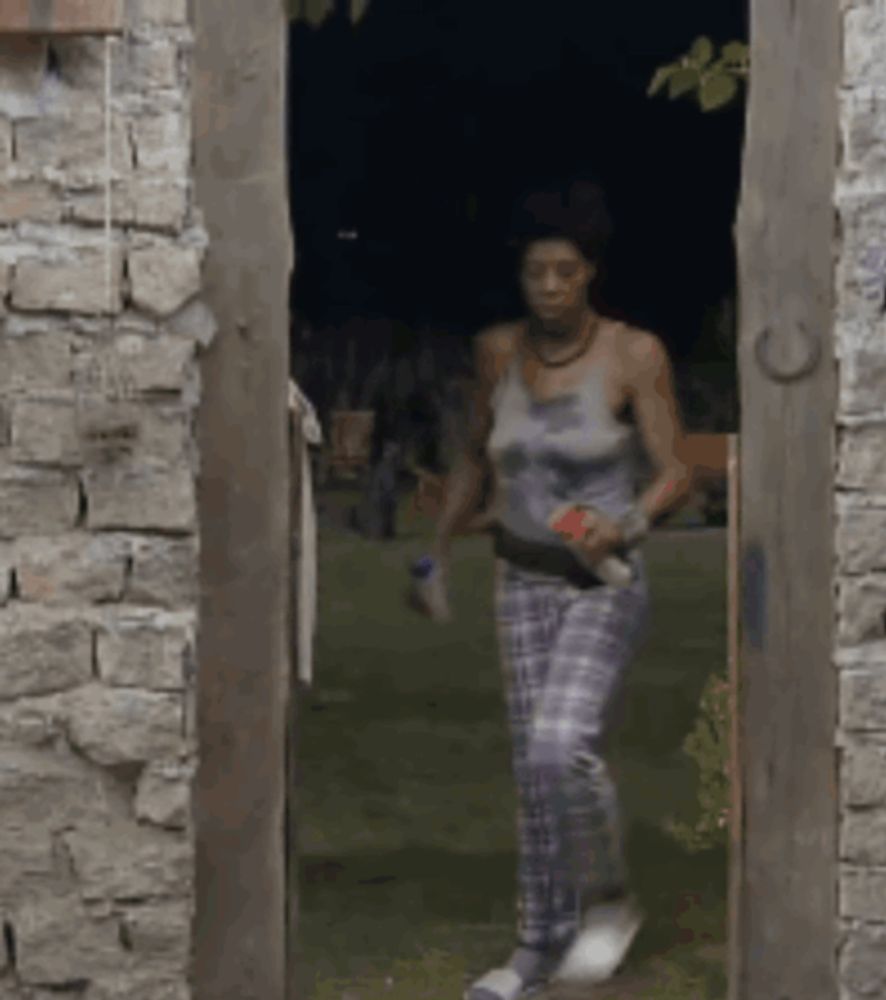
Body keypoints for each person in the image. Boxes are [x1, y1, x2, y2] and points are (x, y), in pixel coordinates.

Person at [432, 179, 692, 1000]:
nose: (549, 287)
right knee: (532, 770)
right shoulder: (497, 352)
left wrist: (631, 525)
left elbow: (678, 470)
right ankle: (535, 951)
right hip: (520, 581)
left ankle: (610, 904)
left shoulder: (633, 354)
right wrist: (438, 550)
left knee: (560, 746)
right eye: (536, 272)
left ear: (591, 273)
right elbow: (475, 453)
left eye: (566, 272)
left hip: (601, 582)